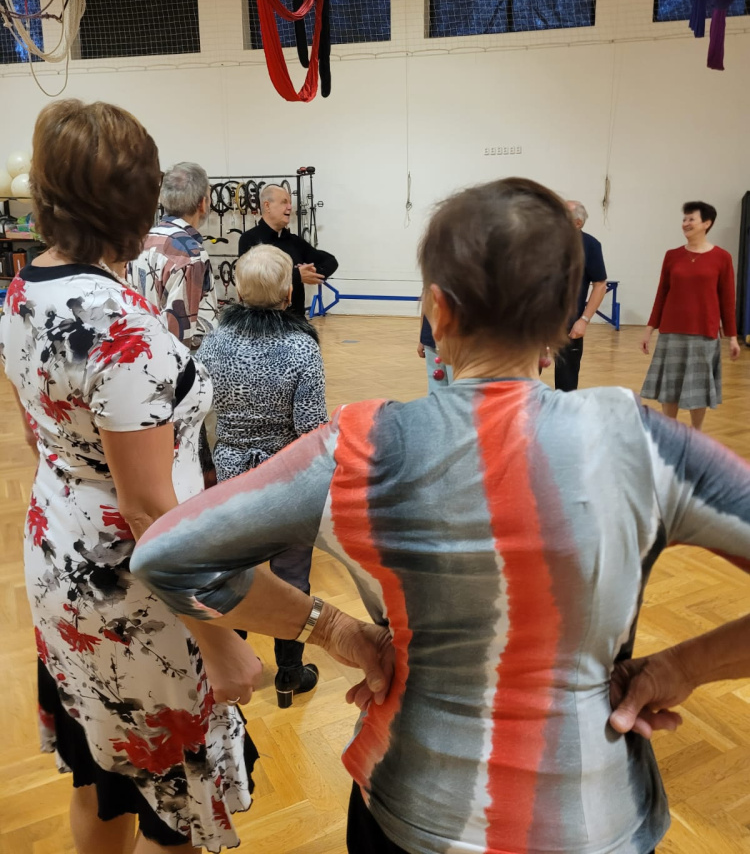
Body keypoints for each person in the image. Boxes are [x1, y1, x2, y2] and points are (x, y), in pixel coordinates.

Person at [132, 177, 750, 854]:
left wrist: (332, 628)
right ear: (561, 317)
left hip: (408, 805)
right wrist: (682, 667)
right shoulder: (638, 441)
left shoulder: (357, 446)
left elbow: (166, 556)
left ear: (439, 310)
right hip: (595, 818)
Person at [0, 100, 261, 854]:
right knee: (171, 810)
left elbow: (37, 431)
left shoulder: (24, 290)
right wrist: (218, 640)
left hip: (59, 550)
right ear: (140, 200)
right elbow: (148, 507)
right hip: (136, 584)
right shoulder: (121, 329)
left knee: (101, 781)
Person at [196, 244, 328, 708]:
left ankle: (235, 666)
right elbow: (311, 428)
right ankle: (289, 673)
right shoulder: (301, 346)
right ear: (289, 292)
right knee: (291, 578)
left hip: (231, 477)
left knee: (234, 571)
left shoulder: (214, 343)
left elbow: (198, 412)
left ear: (237, 289)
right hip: (286, 481)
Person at [640, 201, 740, 430]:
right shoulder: (672, 256)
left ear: (707, 223)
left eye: (691, 219)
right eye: (684, 219)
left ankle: (697, 435)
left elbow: (727, 300)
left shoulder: (722, 257)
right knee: (670, 387)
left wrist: (733, 337)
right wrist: (648, 330)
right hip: (671, 331)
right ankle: (670, 433)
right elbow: (662, 294)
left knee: (698, 389)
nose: (685, 223)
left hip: (704, 332)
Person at [127, 161, 218, 352]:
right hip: (176, 362)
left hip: (143, 355)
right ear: (202, 203)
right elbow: (181, 337)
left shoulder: (141, 242)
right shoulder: (191, 255)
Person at [237, 183, 338, 318]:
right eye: (284, 202)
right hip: (263, 322)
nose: (290, 207)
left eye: (290, 203)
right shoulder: (249, 239)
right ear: (267, 206)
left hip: (296, 322)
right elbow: (251, 280)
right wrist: (296, 276)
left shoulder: (294, 241)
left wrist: (312, 273)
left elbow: (330, 261)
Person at [555, 200, 608, 391]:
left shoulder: (590, 245)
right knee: (526, 381)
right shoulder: (542, 242)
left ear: (578, 223)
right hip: (538, 325)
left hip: (570, 326)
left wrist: (584, 320)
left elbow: (600, 285)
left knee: (567, 384)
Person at [416, 315, 451, 392]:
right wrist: (422, 338)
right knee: (435, 384)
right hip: (430, 336)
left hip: (456, 339)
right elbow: (425, 309)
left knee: (456, 383)